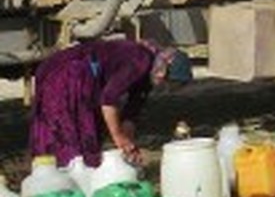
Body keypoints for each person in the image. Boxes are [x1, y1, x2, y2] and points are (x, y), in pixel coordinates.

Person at [29, 38, 192, 168]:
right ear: (165, 70)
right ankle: (63, 190)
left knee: (87, 137)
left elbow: (131, 113)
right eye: (170, 83)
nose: (166, 88)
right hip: (67, 75)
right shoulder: (140, 58)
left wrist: (128, 145)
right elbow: (108, 99)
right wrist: (118, 136)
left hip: (79, 79)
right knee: (68, 138)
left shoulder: (146, 77)